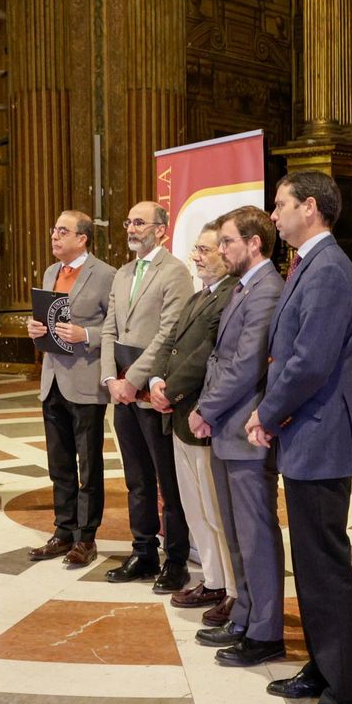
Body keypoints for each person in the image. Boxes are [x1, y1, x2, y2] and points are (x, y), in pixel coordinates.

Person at [250, 171, 352, 704]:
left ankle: (347, 702)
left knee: (326, 570)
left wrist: (266, 413)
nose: (273, 215)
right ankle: (324, 669)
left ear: (312, 208)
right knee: (315, 565)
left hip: (321, 436)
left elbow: (308, 362)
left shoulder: (326, 270)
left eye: (280, 205)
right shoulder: (311, 264)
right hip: (309, 434)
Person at [190, 206, 285, 667]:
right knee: (235, 535)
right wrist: (207, 411)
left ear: (253, 243)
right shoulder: (243, 289)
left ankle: (266, 631)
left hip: (245, 429)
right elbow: (216, 359)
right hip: (225, 426)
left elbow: (246, 365)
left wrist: (205, 409)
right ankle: (245, 616)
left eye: (227, 241)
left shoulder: (267, 289)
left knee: (255, 535)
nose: (221, 249)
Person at [100, 201, 194, 589]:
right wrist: (110, 379)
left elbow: (169, 332)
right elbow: (109, 329)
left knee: (166, 481)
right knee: (136, 478)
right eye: (128, 221)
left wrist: (133, 379)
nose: (131, 228)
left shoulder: (175, 273)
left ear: (161, 230)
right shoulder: (122, 274)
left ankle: (176, 560)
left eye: (139, 222)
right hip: (122, 392)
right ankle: (142, 552)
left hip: (153, 390)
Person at [147, 221, 237, 614]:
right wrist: (154, 378)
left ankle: (231, 589)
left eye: (204, 249)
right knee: (195, 509)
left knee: (215, 512)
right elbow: (170, 343)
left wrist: (170, 390)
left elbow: (205, 354)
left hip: (203, 418)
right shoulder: (198, 297)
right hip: (179, 417)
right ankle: (213, 581)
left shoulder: (231, 296)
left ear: (225, 252)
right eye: (196, 250)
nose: (196, 257)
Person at [24, 211, 114, 568]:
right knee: (59, 463)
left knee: (88, 463)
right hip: (52, 379)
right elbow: (49, 317)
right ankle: (63, 530)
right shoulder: (50, 272)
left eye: (63, 231)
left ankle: (86, 538)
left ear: (83, 238)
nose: (55, 236)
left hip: (85, 380)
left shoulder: (105, 274)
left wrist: (86, 335)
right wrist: (36, 327)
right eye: (53, 230)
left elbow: (116, 324)